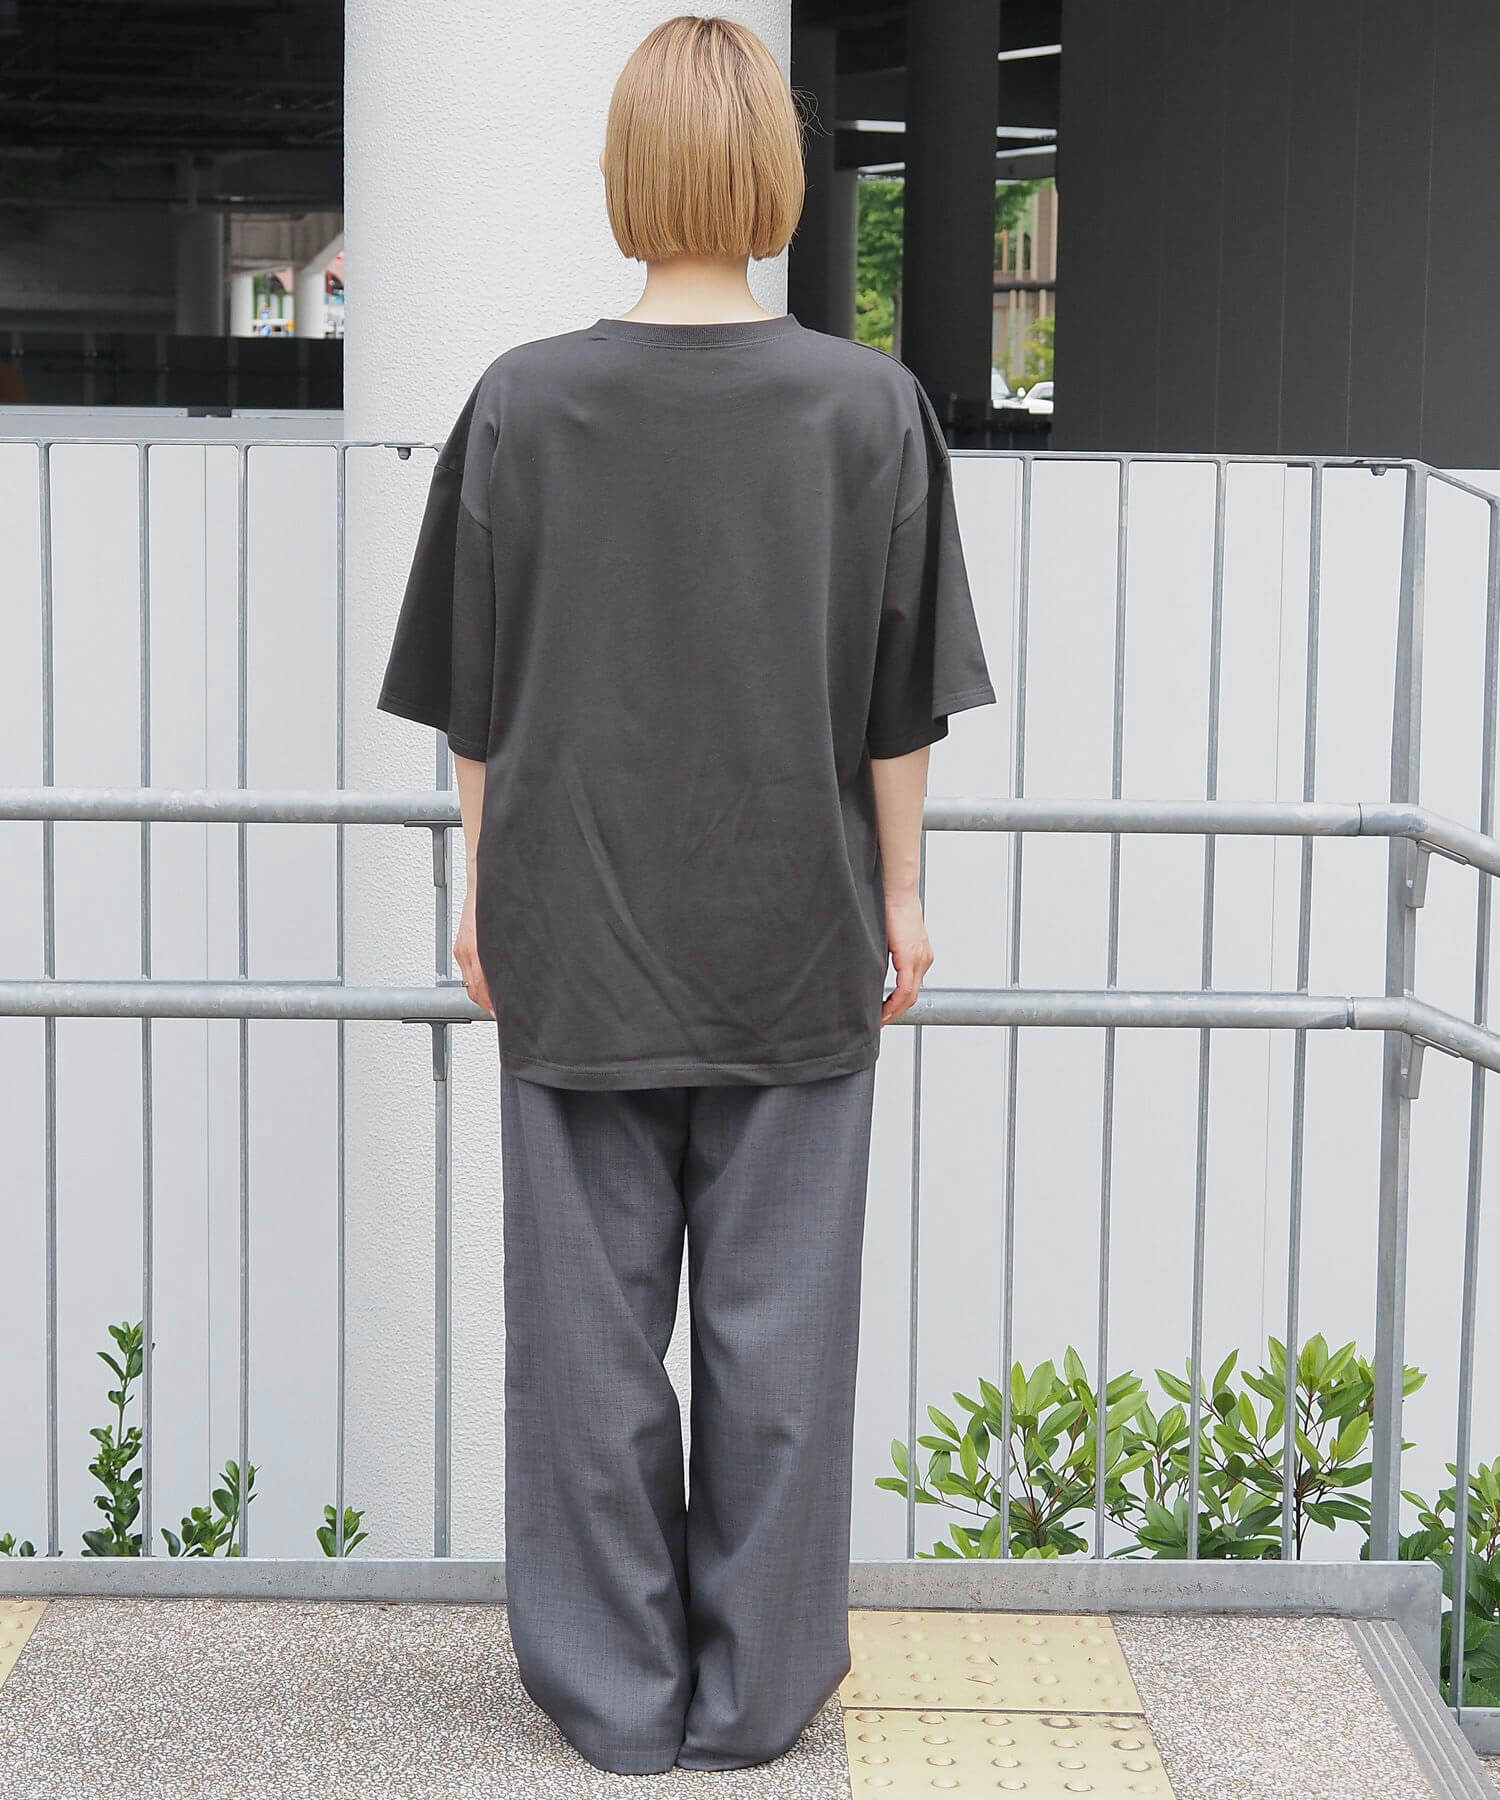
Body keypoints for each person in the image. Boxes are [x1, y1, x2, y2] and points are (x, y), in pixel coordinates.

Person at [375, 12, 995, 1777]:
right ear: (780, 181)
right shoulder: (869, 409)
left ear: (625, 176)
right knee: (779, 1344)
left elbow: (476, 700)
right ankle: (755, 1697)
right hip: (798, 934)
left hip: (575, 929)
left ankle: (613, 1700)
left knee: (585, 1344)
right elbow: (899, 705)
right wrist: (906, 898)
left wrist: (483, 890)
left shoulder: (523, 402)